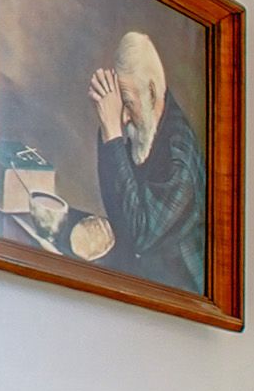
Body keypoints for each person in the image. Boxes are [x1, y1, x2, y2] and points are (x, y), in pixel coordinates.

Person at [87, 27, 206, 290]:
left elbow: (138, 234)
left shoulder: (179, 157)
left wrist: (112, 133)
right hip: (142, 275)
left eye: (126, 102)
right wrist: (111, 132)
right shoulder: (142, 130)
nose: (123, 117)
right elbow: (117, 211)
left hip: (179, 288)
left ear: (151, 93)